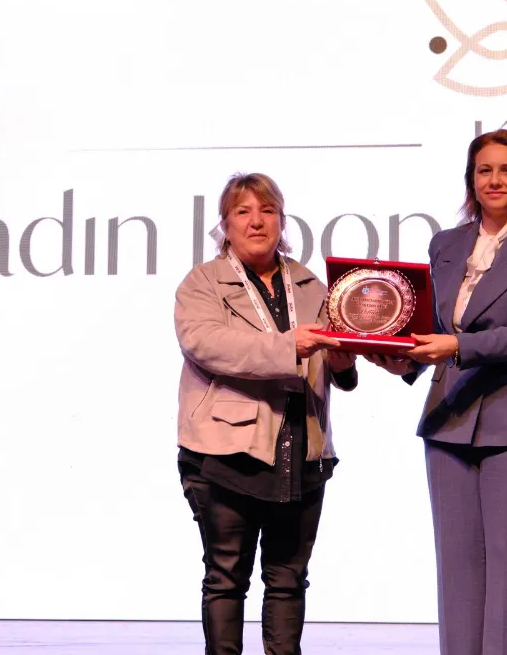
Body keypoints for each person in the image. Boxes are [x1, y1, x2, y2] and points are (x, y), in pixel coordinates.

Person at [367, 128, 507, 655]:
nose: (495, 180)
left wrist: (456, 345)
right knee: (457, 578)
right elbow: (431, 330)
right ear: (471, 180)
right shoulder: (446, 244)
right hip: (449, 420)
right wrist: (399, 358)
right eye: (485, 170)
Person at [173, 172, 357, 655]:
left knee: (289, 579)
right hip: (225, 454)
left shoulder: (312, 284)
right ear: (225, 224)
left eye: (267, 211)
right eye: (243, 212)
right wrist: (288, 345)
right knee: (226, 577)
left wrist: (342, 361)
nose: (256, 221)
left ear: (282, 220)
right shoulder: (202, 283)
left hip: (302, 451)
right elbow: (206, 345)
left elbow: (334, 361)